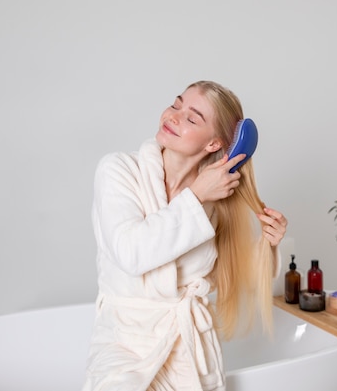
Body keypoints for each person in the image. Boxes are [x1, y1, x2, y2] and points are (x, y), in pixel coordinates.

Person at [82, 80, 288, 391]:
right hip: (124, 343)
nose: (173, 116)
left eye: (192, 118)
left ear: (213, 144)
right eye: (176, 104)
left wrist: (268, 245)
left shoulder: (215, 204)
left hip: (188, 353)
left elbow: (232, 277)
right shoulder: (119, 170)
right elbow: (130, 253)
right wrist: (196, 195)